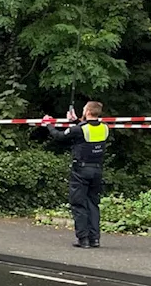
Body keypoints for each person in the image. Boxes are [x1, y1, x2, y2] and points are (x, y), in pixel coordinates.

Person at [41, 100, 109, 249]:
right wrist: (75, 120)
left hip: (81, 171)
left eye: (84, 110)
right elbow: (87, 128)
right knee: (93, 204)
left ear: (88, 112)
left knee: (78, 204)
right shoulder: (104, 128)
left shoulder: (79, 129)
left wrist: (48, 124)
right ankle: (94, 239)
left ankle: (83, 239)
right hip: (97, 170)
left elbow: (59, 136)